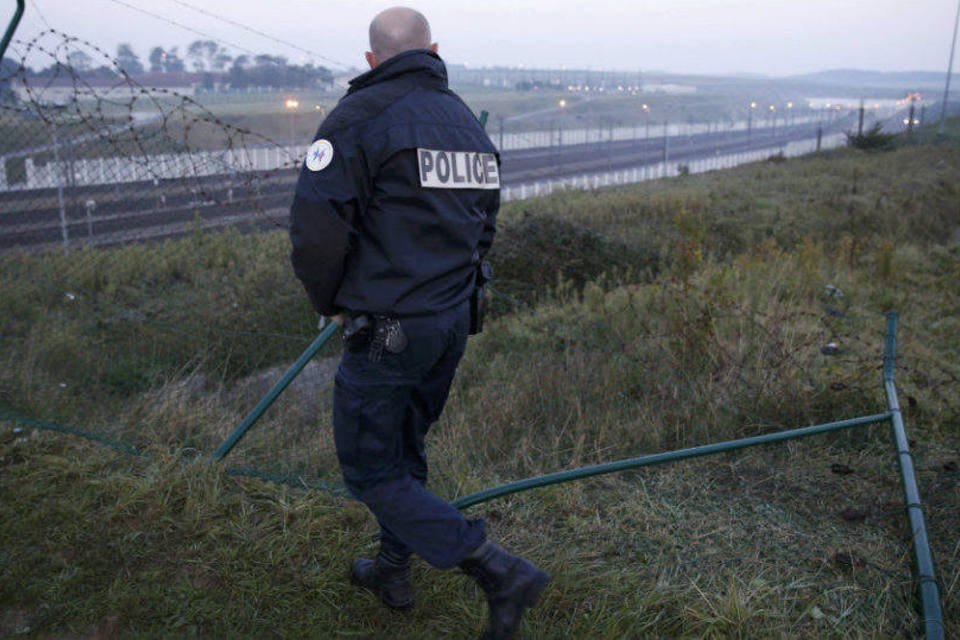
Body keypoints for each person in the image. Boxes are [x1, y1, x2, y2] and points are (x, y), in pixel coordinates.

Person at [288, 7, 549, 639]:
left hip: (389, 327)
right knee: (404, 450)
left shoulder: (359, 117)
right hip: (450, 323)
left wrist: (329, 299)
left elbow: (316, 230)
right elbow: (485, 225)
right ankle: (390, 569)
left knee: (371, 470)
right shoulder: (465, 123)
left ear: (372, 60)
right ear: (433, 49)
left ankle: (494, 567)